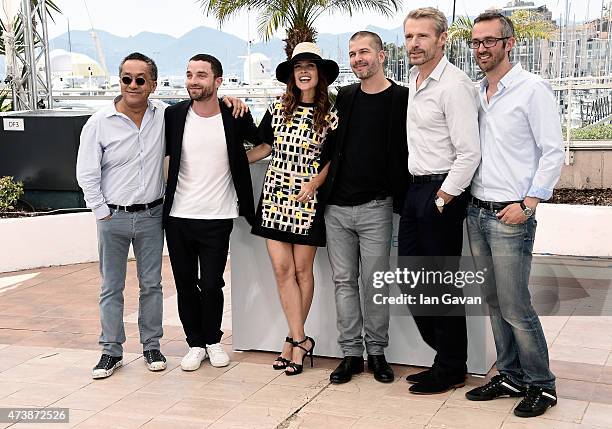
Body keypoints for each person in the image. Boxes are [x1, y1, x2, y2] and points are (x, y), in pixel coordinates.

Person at [464, 12, 564, 418]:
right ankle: (509, 374)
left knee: (516, 305)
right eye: (476, 42)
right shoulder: (475, 92)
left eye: (489, 41)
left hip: (511, 216)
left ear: (509, 43)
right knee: (493, 302)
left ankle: (542, 384)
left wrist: (529, 204)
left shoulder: (531, 89)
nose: (481, 48)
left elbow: (553, 152)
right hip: (477, 211)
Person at [317, 31, 409, 384]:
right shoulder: (344, 96)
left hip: (376, 207)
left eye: (364, 52)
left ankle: (377, 353)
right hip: (336, 209)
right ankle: (351, 355)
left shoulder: (402, 98)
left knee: (375, 284)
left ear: (381, 55)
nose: (357, 59)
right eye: (352, 54)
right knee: (344, 283)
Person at [399, 7, 481, 394]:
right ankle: (445, 355)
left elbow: (469, 152)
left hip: (440, 193)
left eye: (422, 36)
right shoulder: (414, 80)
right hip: (415, 190)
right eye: (410, 36)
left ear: (441, 38)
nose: (414, 43)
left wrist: (444, 196)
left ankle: (450, 366)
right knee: (409, 277)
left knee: (441, 284)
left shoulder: (454, 85)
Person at [247, 42, 339, 376]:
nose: (303, 71)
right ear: (291, 74)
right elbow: (264, 148)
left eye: (310, 66)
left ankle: (293, 342)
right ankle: (300, 340)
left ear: (319, 74)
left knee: (303, 272)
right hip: (273, 198)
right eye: (298, 66)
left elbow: (333, 159)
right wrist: (230, 163)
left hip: (306, 200)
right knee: (282, 271)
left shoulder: (330, 114)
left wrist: (314, 183)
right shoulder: (277, 107)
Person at [163, 54, 259, 371]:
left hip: (218, 216)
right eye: (189, 74)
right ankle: (195, 344)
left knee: (212, 283)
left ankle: (213, 341)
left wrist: (236, 161)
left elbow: (266, 143)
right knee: (185, 283)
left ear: (217, 81)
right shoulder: (174, 115)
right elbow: (162, 154)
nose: (193, 80)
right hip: (178, 216)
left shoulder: (234, 113)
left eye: (201, 75)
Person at [77, 52, 168, 379]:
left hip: (151, 216)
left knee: (152, 285)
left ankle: (151, 345)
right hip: (112, 218)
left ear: (152, 84)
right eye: (126, 78)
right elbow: (86, 173)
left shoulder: (163, 116)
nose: (132, 85)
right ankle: (110, 351)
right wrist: (102, 212)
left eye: (140, 79)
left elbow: (199, 113)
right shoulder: (99, 123)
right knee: (111, 288)